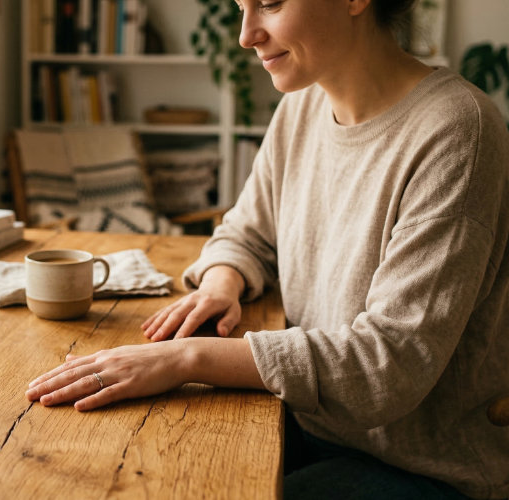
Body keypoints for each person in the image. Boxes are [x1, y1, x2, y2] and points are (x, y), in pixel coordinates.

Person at [25, 0, 509, 497]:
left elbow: (387, 365)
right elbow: (247, 230)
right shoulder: (303, 105)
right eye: (242, 6)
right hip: (306, 420)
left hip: (424, 468)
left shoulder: (458, 131)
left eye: (270, 3)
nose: (246, 35)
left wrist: (185, 358)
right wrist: (222, 282)